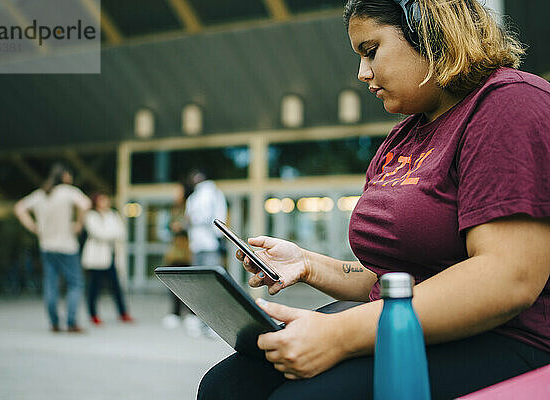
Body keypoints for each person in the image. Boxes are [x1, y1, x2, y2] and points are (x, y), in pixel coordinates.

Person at [198, 1, 550, 399]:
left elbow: (508, 279)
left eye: (371, 50)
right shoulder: (403, 136)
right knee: (225, 386)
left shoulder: (511, 103)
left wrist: (340, 334)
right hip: (399, 321)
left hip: (508, 339)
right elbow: (391, 278)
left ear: (430, 31)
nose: (362, 73)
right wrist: (307, 264)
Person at [14, 163, 91, 333]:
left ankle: (54, 322)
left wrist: (34, 227)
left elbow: (19, 208)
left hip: (47, 246)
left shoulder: (41, 194)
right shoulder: (68, 191)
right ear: (65, 176)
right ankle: (71, 322)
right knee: (75, 283)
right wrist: (78, 224)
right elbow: (85, 204)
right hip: (67, 246)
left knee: (51, 284)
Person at [81, 193, 133, 325]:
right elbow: (98, 233)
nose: (105, 202)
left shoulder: (112, 215)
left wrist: (110, 234)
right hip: (96, 259)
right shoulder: (91, 216)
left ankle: (123, 312)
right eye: (102, 199)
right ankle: (93, 314)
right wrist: (112, 233)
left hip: (110, 257)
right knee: (94, 287)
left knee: (116, 286)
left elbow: (122, 232)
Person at [161, 183, 194, 330]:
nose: (175, 194)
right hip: (174, 253)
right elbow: (167, 226)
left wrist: (181, 226)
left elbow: (191, 224)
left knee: (189, 285)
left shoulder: (191, 206)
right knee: (173, 284)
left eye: (177, 191)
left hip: (187, 252)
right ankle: (175, 313)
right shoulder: (172, 209)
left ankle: (191, 314)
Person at [184, 169, 228, 267]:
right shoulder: (195, 196)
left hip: (208, 243)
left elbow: (206, 217)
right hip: (202, 243)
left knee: (204, 276)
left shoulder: (209, 194)